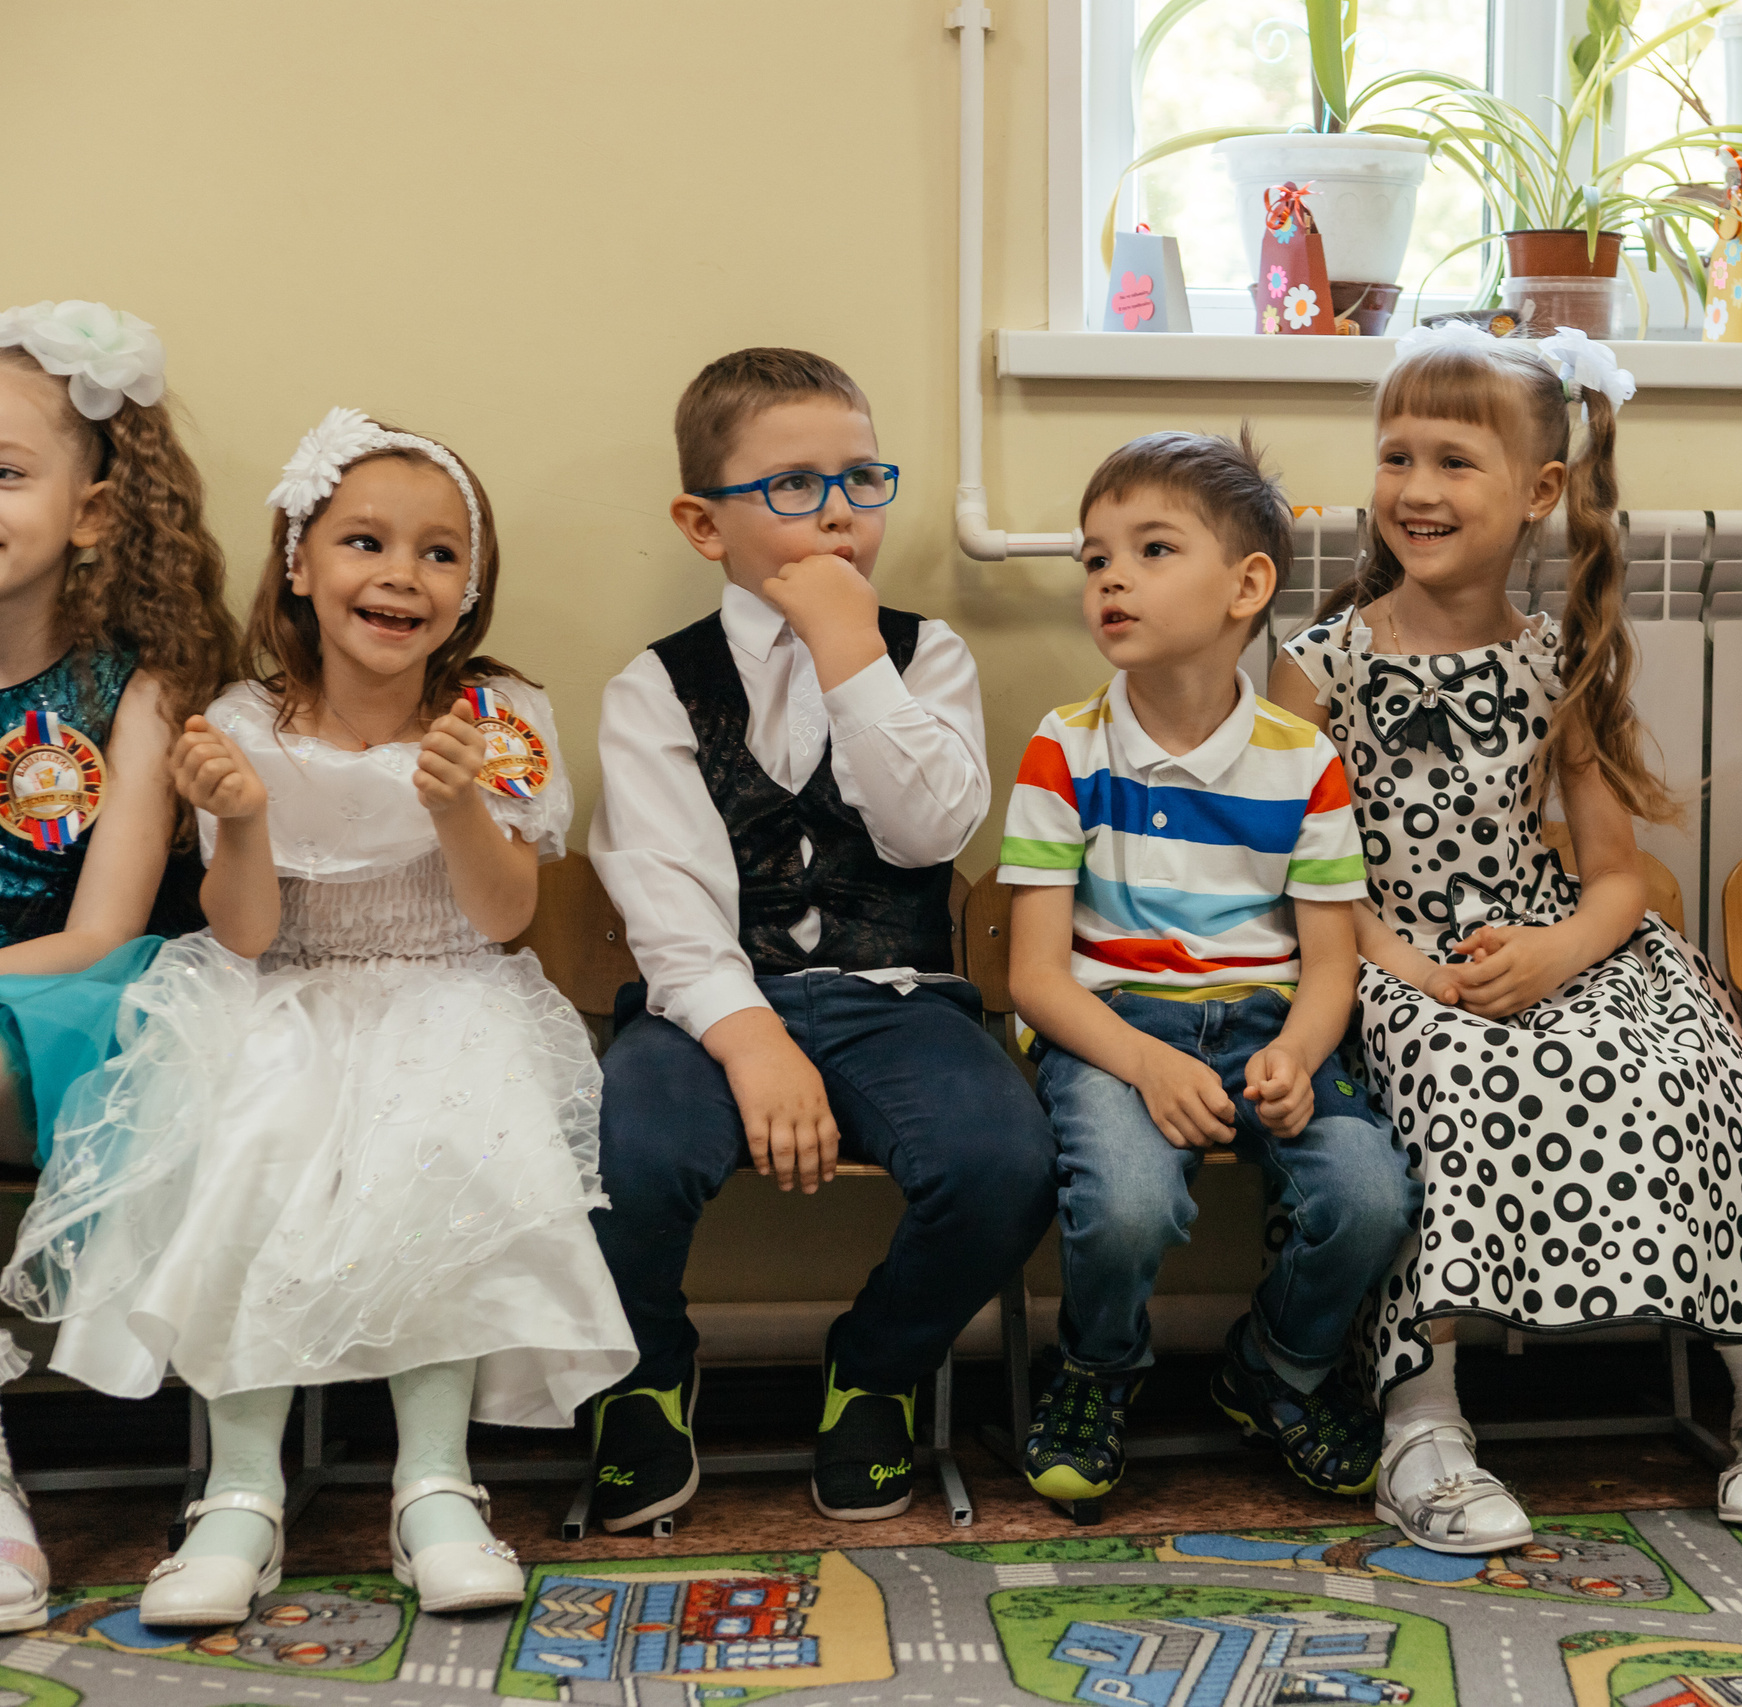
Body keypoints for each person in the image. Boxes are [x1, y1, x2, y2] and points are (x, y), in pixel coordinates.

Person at [2, 407, 632, 1623]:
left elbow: (503, 917)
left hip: (453, 990)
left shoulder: (498, 716)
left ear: (471, 587)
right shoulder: (244, 722)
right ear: (300, 563)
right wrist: (238, 822)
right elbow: (241, 933)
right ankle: (240, 1494)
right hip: (282, 992)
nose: (401, 574)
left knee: (445, 1141)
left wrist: (457, 806)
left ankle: (435, 1487)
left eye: (441, 553)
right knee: (250, 1152)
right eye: (365, 543)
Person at [1272, 324, 1742, 1550]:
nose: (1417, 489)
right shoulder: (1321, 668)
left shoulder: (1557, 661)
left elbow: (1620, 878)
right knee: (1449, 1086)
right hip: (1374, 951)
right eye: (1396, 457)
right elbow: (1287, 857)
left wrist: (1560, 952)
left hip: (1544, 940)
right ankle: (1423, 1427)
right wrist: (1390, 957)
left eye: (1454, 462)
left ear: (1539, 492)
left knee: (1696, 1065)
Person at [586, 348, 1056, 1532]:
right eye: (793, 485)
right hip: (708, 1010)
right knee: (618, 1159)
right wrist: (751, 1042)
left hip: (894, 995)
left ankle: (877, 1367)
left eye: (862, 477)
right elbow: (668, 903)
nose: (840, 508)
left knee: (1003, 1163)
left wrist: (853, 655)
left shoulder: (924, 653)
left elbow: (930, 829)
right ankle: (642, 1373)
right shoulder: (656, 686)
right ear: (706, 523)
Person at [999, 430, 1417, 1520]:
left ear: (1246, 587)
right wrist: (1143, 1064)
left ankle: (1273, 1372)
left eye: (1149, 550)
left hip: (1268, 1023)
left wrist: (1293, 1052)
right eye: (1094, 559)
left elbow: (1332, 966)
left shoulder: (1300, 760)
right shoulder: (1063, 749)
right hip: (1111, 1025)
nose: (1112, 579)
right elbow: (1036, 979)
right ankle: (1094, 1374)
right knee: (1128, 1206)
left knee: (1367, 1195)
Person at [0, 299, 239, 1630]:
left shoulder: (136, 690)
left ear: (93, 512)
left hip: (75, 1000)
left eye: (5, 469)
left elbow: (99, 928)